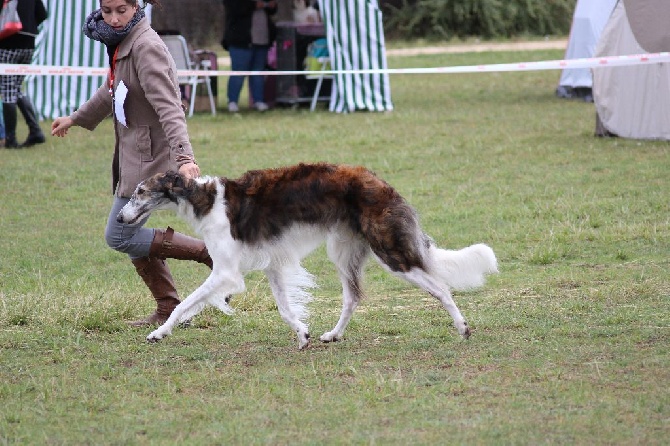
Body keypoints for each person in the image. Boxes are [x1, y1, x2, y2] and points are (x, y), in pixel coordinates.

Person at [51, 0, 213, 326]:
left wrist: (185, 158)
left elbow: (170, 108)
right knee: (131, 232)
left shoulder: (146, 46)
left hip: (150, 160)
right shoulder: (124, 42)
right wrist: (76, 118)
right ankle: (168, 307)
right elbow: (112, 90)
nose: (112, 18)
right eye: (107, 10)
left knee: (120, 235)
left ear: (136, 6)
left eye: (121, 10)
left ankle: (208, 253)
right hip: (134, 156)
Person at [0, 0, 48, 149]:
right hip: (29, 43)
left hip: (8, 41)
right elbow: (42, 14)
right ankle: (35, 131)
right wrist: (28, 25)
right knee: (17, 88)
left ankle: (10, 139)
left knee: (8, 91)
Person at [222, 0, 277, 113]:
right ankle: (232, 101)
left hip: (262, 39)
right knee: (239, 72)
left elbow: (273, 11)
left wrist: (271, 5)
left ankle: (258, 100)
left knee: (258, 72)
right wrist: (253, 5)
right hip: (240, 40)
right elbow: (234, 8)